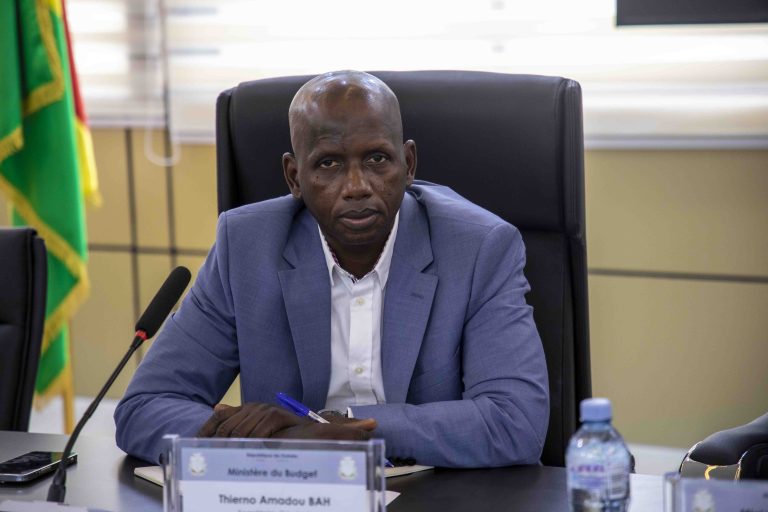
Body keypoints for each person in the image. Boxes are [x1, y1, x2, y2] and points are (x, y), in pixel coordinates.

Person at [115, 70, 549, 468]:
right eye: (328, 164)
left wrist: (335, 430)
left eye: (377, 159)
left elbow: (515, 422)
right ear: (294, 177)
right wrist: (275, 442)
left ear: (409, 164)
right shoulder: (246, 247)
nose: (357, 186)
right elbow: (145, 406)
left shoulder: (479, 249)